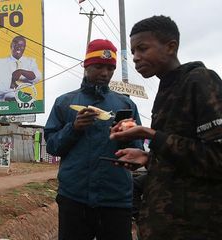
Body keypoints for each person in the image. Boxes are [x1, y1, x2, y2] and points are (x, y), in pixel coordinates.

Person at [110, 15, 222, 239]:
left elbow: (217, 158)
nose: (136, 58)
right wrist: (148, 159)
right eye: (133, 52)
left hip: (195, 228)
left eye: (142, 49)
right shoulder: (167, 89)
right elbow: (182, 160)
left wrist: (148, 133)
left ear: (171, 47)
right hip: (164, 227)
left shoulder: (201, 81)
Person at [44, 39, 143, 240]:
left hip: (116, 200)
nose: (105, 73)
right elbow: (52, 147)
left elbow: (137, 149)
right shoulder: (65, 103)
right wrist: (74, 128)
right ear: (86, 66)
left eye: (110, 68)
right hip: (74, 198)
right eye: (98, 67)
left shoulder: (126, 104)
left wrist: (126, 141)